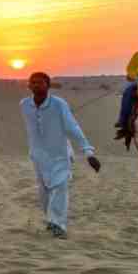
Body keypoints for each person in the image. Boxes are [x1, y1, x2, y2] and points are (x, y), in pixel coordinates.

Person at [20, 72, 101, 239]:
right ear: (28, 86)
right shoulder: (24, 105)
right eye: (33, 82)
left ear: (48, 85)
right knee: (44, 192)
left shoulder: (59, 104)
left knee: (60, 187)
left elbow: (72, 127)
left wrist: (88, 152)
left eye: (40, 83)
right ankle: (51, 221)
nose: (36, 85)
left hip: (60, 154)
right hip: (38, 156)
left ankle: (58, 225)